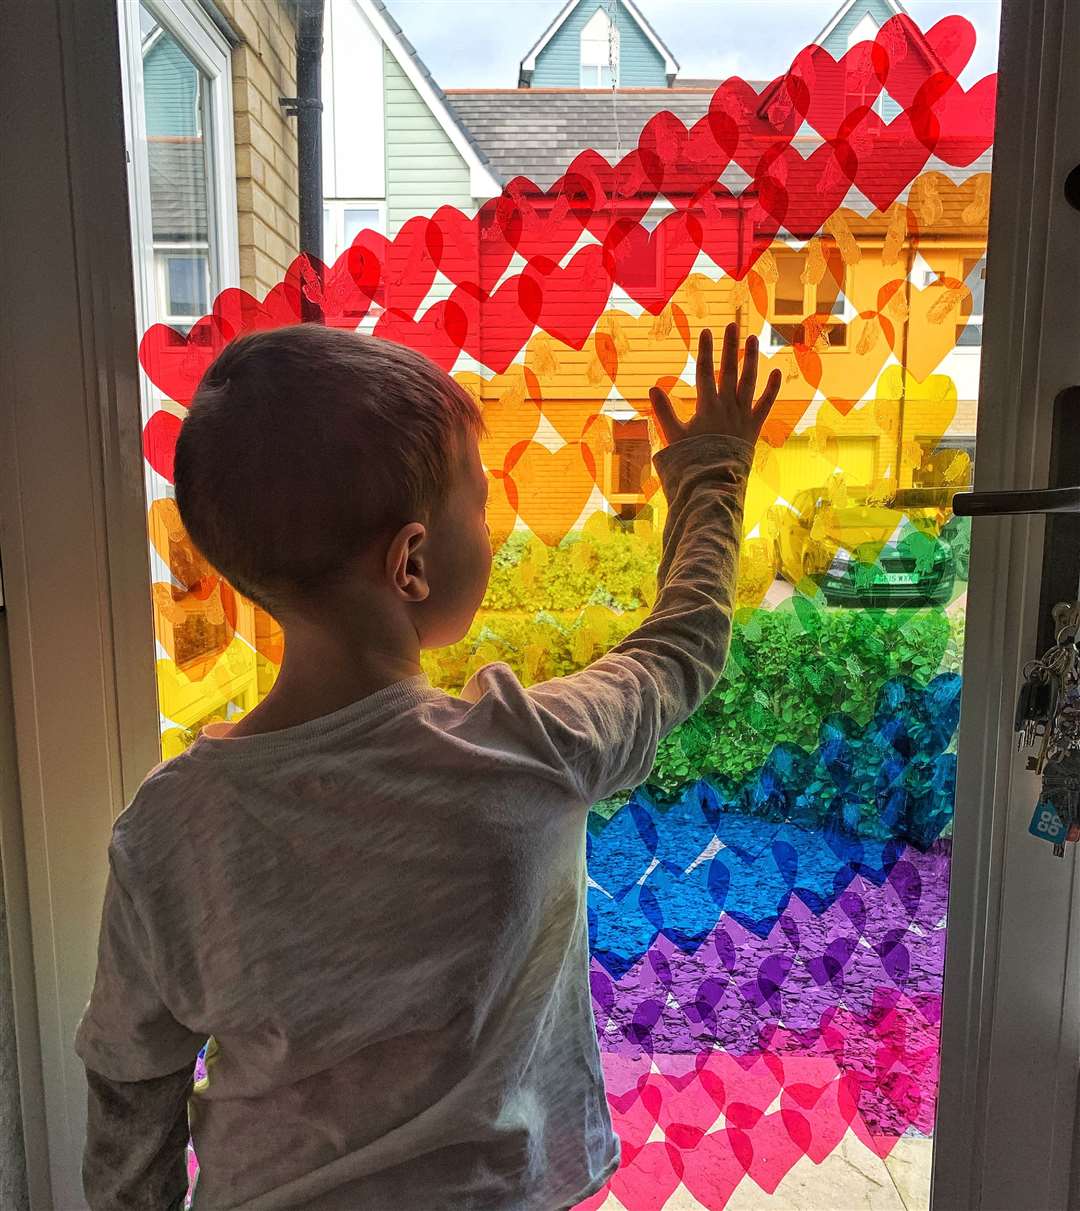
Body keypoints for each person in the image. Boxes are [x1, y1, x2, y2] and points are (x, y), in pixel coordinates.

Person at [74, 321, 781, 1210]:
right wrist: (712, 470)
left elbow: (130, 1086)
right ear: (410, 562)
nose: (490, 529)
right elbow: (681, 649)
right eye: (479, 506)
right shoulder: (532, 749)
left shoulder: (168, 829)